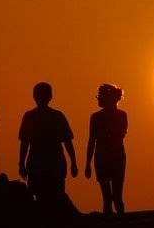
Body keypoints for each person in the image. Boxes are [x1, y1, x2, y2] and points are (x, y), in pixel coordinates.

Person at [18, 82, 79, 206]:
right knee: (55, 197)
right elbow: (67, 142)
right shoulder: (57, 116)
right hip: (50, 163)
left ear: (34, 96)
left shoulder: (30, 116)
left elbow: (24, 143)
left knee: (43, 198)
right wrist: (73, 162)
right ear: (50, 96)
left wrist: (21, 164)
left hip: (40, 163)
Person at [85, 84, 128, 215]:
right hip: (116, 156)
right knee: (115, 197)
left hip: (105, 157)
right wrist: (87, 163)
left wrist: (88, 163)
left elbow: (92, 141)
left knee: (109, 197)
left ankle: (111, 224)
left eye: (100, 96)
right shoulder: (121, 115)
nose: (98, 99)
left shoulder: (97, 117)